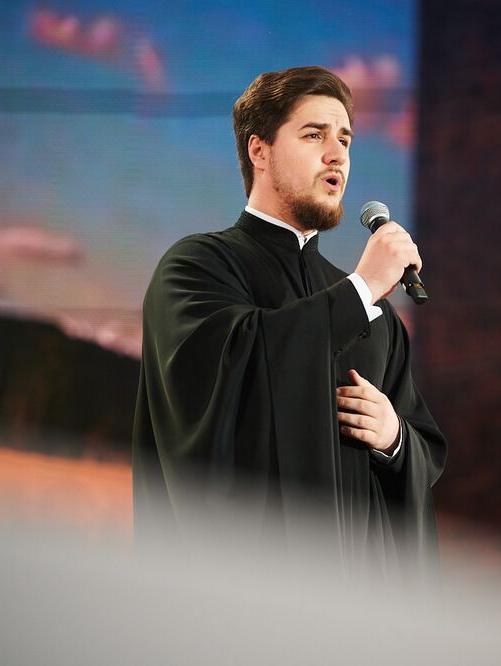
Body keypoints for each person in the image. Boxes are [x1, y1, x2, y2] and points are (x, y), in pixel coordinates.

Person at [132, 65, 447, 580]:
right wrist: (363, 288)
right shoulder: (197, 267)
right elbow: (232, 376)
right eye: (314, 135)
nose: (337, 154)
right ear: (260, 151)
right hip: (247, 599)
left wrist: (394, 440)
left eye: (345, 139)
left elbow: (423, 451)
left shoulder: (378, 317)